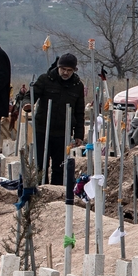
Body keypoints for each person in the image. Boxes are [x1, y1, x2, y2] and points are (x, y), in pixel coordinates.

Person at [30, 52, 88, 188]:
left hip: (63, 133)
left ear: (74, 70)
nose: (66, 73)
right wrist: (27, 104)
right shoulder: (45, 80)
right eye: (63, 69)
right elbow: (31, 95)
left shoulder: (77, 86)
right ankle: (40, 190)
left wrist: (79, 134)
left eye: (69, 70)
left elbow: (79, 112)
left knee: (60, 166)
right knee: (40, 165)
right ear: (58, 67)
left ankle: (56, 193)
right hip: (42, 130)